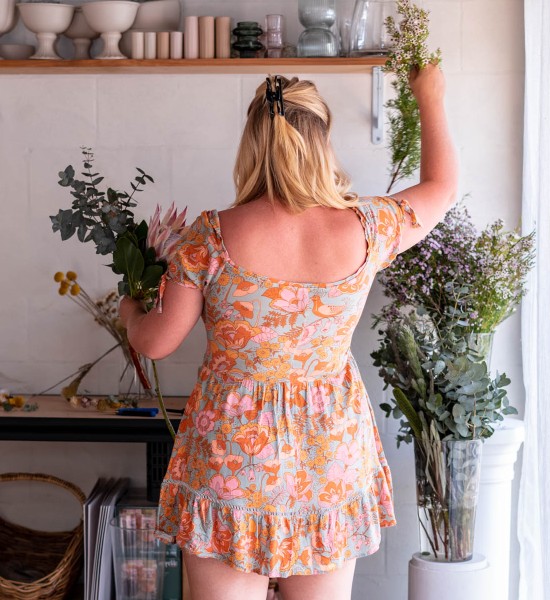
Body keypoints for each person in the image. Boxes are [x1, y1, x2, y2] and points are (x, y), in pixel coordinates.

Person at [119, 65, 457, 600]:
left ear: (252, 145)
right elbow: (442, 186)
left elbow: (156, 342)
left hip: (234, 457)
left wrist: (130, 310)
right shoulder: (368, 227)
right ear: (322, 142)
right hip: (328, 457)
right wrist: (429, 96)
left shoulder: (210, 235)